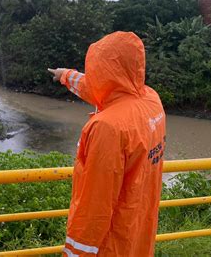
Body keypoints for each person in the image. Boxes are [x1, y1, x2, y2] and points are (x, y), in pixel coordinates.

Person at [48, 31, 166, 257]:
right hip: (139, 227)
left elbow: (94, 206)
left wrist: (75, 253)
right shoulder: (151, 99)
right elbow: (102, 89)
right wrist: (66, 75)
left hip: (110, 243)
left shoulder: (107, 127)